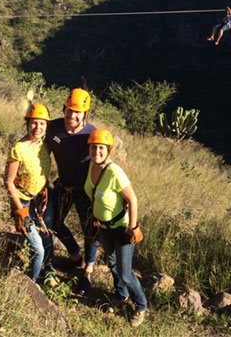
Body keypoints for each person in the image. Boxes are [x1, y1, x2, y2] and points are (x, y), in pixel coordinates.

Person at [84, 128, 147, 327]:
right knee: (112, 264)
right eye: (94, 148)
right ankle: (121, 296)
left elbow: (133, 199)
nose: (97, 152)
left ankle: (141, 306)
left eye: (101, 148)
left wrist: (134, 227)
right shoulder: (91, 167)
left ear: (108, 150)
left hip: (121, 229)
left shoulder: (114, 171)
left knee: (126, 272)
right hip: (103, 227)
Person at [46, 87, 98, 279]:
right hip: (64, 185)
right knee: (55, 223)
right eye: (69, 110)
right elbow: (37, 143)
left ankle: (88, 270)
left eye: (77, 112)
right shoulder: (53, 128)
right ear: (64, 109)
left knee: (90, 230)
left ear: (85, 114)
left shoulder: (91, 135)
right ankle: (76, 255)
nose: (72, 115)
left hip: (86, 191)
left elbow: (104, 162)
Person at [4, 101, 55, 283]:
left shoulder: (45, 146)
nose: (37, 127)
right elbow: (9, 182)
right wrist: (21, 212)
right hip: (23, 202)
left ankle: (45, 271)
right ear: (27, 123)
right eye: (34, 123)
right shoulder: (18, 149)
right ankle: (31, 283)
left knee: (44, 236)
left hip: (39, 200)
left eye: (42, 124)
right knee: (39, 249)